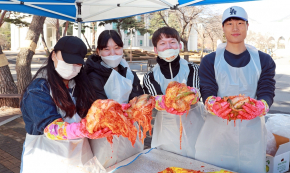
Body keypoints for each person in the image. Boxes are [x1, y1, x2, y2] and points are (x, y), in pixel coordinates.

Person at [195, 6, 275, 173]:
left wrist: (262, 105)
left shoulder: (264, 60)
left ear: (247, 26)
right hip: (217, 133)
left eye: (240, 22)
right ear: (223, 28)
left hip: (251, 134)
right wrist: (211, 103)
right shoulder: (209, 61)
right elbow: (207, 89)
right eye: (229, 23)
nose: (235, 28)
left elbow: (267, 90)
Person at [20, 36, 111, 173]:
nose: (72, 67)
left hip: (80, 159)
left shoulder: (80, 84)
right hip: (47, 161)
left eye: (77, 64)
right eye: (67, 61)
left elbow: (91, 113)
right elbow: (50, 128)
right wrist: (82, 129)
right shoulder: (38, 89)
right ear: (53, 55)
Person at [85, 30, 144, 168]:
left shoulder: (128, 71)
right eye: (107, 49)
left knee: (132, 165)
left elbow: (138, 97)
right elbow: (99, 106)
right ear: (99, 51)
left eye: (117, 48)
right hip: (105, 132)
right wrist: (128, 109)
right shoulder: (92, 74)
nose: (113, 53)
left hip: (129, 129)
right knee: (107, 166)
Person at [143, 26, 205, 159]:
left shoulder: (193, 69)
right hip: (166, 129)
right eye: (162, 43)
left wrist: (189, 96)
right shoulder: (150, 76)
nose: (168, 47)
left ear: (179, 45)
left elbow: (193, 95)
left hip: (194, 125)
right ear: (155, 49)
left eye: (172, 42)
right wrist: (180, 97)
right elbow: (158, 101)